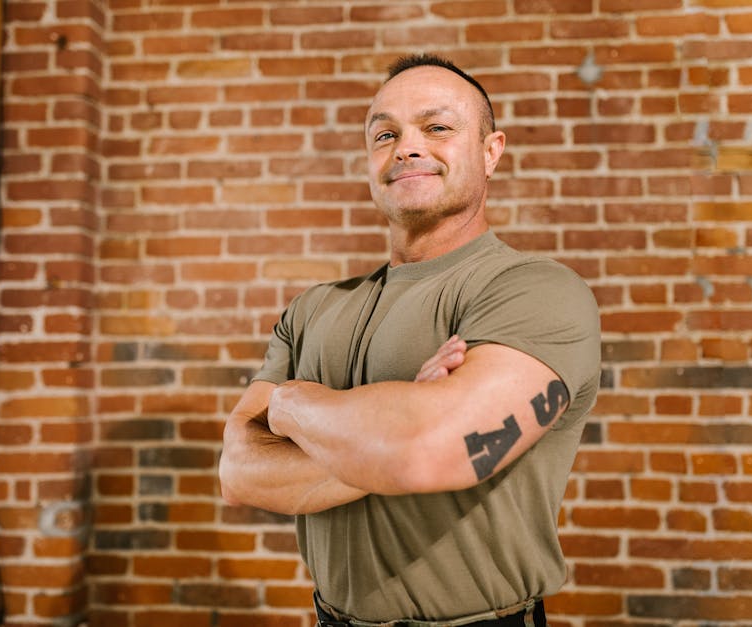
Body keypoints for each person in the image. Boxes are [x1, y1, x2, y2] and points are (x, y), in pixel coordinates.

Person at [219, 53, 601, 627]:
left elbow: (427, 454)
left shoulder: (534, 292)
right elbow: (240, 472)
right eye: (385, 134)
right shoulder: (313, 309)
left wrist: (291, 404)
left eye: (438, 127)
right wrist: (392, 429)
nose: (406, 147)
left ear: (491, 150)